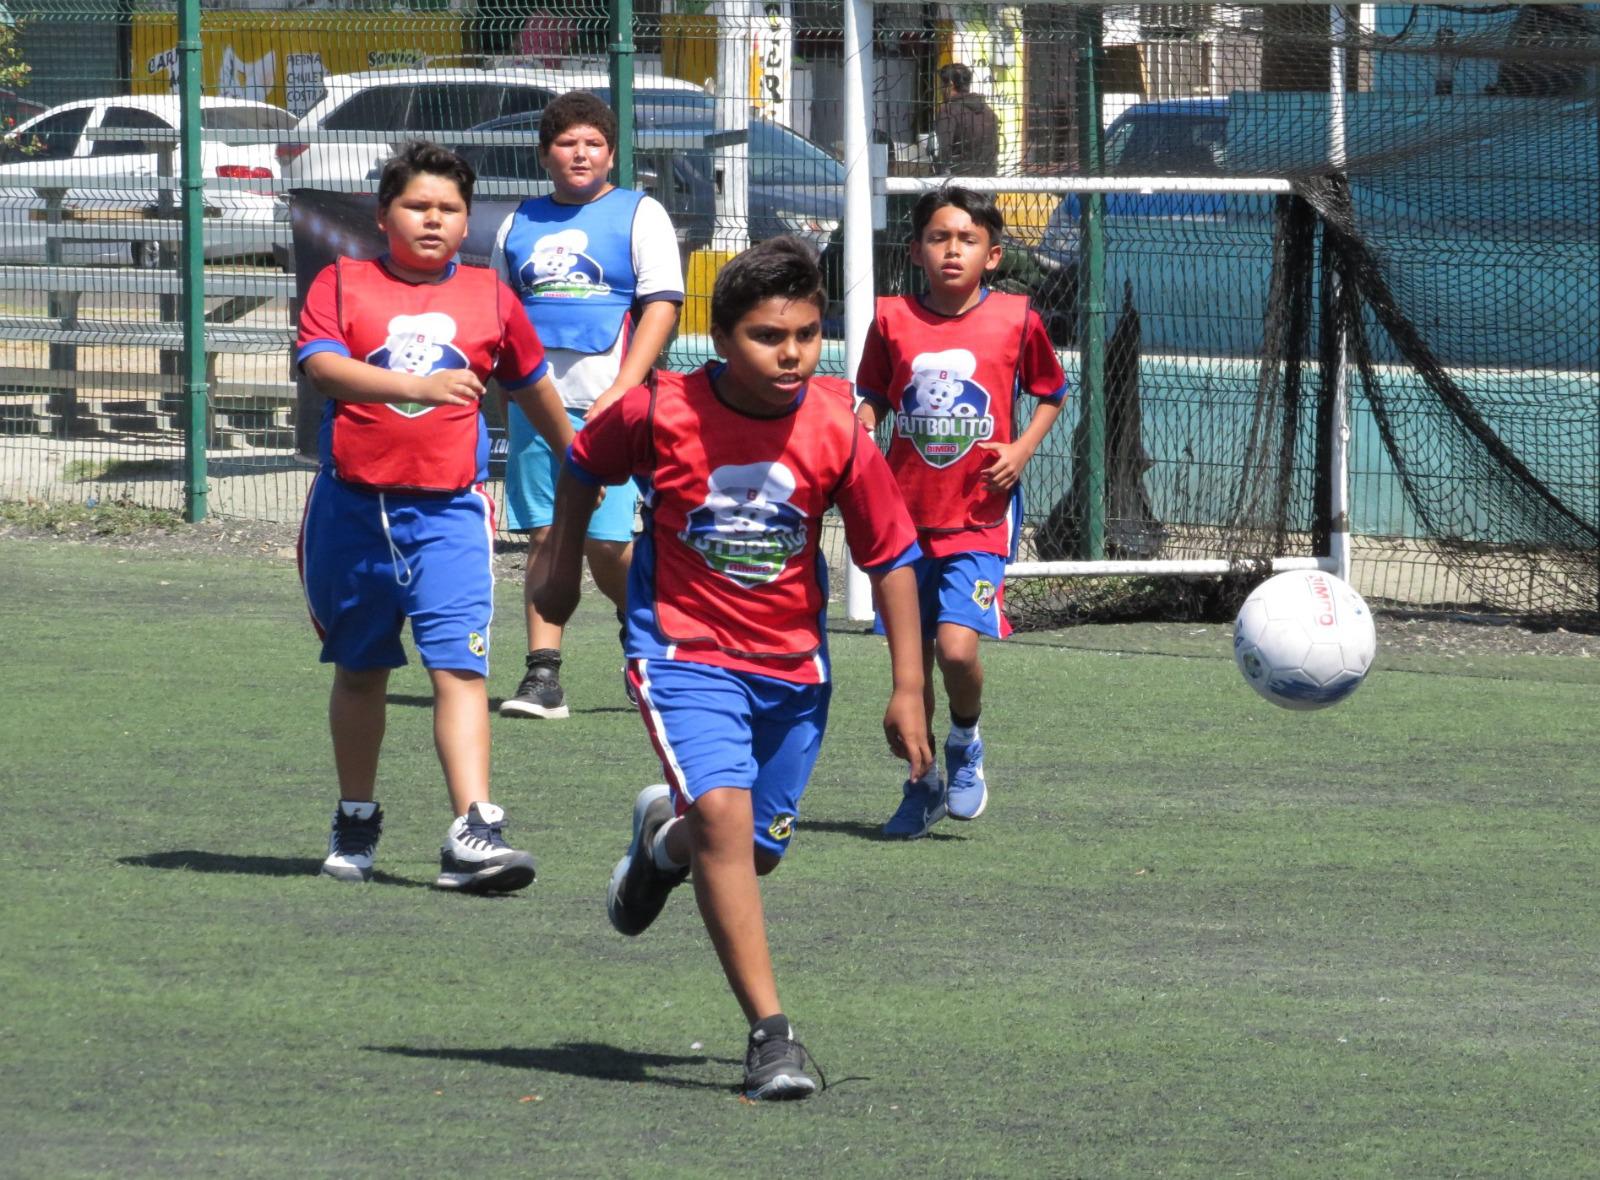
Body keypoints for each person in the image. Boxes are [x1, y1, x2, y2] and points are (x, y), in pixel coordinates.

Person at [533, 235, 933, 1099]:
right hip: (681, 652)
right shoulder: (658, 409)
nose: (791, 354)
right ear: (719, 338)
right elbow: (582, 463)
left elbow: (893, 556)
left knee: (752, 851)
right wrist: (560, 567)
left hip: (793, 668)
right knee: (721, 811)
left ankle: (662, 843)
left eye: (807, 334)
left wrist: (909, 687)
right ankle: (771, 1037)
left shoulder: (838, 427)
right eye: (766, 336)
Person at [296, 141, 574, 892]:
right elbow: (322, 367)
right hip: (352, 512)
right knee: (361, 670)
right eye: (418, 205)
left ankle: (473, 830)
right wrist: (417, 386)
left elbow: (533, 384)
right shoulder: (341, 282)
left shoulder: (491, 296)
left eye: (449, 209)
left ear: (466, 220)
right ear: (383, 215)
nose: (434, 219)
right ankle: (356, 818)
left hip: (451, 513)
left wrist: (580, 455)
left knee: (460, 668)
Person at [855, 186, 1067, 839]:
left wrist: (1022, 449)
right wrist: (862, 422)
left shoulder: (1016, 318)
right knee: (910, 667)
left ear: (993, 255)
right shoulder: (891, 319)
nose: (953, 250)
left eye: (968, 239)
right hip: (902, 522)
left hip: (978, 518)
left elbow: (1052, 391)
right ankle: (920, 787)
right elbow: (873, 393)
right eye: (939, 237)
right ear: (916, 251)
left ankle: (965, 740)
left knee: (955, 649)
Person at [495, 90, 685, 720]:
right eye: (566, 142)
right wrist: (504, 389)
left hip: (611, 411)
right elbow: (497, 314)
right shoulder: (518, 222)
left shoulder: (640, 214)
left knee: (606, 543)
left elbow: (662, 304)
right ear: (544, 154)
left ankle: (645, 633)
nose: (580, 153)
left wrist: (624, 388)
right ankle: (542, 675)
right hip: (534, 410)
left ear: (610, 153)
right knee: (547, 536)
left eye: (593, 143)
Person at [934, 61, 999, 175]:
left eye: (941, 86)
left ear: (950, 85)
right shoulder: (988, 111)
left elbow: (943, 151)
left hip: (959, 180)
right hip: (988, 179)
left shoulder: (948, 111)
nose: (940, 90)